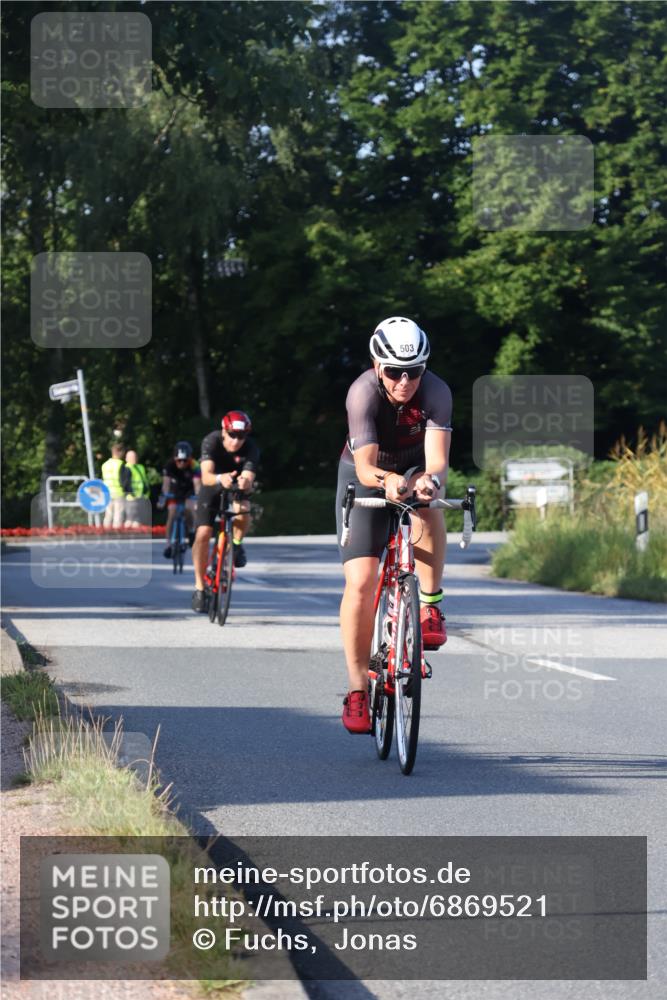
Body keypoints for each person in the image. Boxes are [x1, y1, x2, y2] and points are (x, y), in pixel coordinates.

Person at [336, 316, 452, 734]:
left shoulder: (437, 392)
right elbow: (366, 466)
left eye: (414, 372)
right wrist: (389, 481)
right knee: (362, 582)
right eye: (394, 372)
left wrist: (429, 480)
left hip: (414, 467)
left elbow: (437, 460)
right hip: (366, 475)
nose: (405, 381)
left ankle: (430, 605)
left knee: (430, 502)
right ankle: (355, 690)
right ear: (376, 365)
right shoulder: (362, 393)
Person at [191, 411, 259, 612]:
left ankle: (236, 545)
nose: (236, 441)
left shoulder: (251, 448)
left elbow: (248, 477)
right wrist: (221, 478)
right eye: (232, 435)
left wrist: (244, 482)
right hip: (213, 484)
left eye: (241, 436)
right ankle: (200, 588)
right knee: (203, 533)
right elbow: (206, 476)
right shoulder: (211, 441)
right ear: (223, 431)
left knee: (244, 508)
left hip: (235, 486)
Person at [160, 442, 201, 557]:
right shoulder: (169, 465)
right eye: (179, 460)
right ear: (175, 458)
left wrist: (198, 498)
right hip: (174, 490)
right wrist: (164, 496)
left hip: (189, 491)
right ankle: (168, 544)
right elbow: (166, 484)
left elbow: (197, 484)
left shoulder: (194, 465)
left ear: (189, 459)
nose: (182, 463)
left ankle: (191, 530)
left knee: (189, 509)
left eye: (185, 460)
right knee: (172, 513)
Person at [101, 443, 130, 529]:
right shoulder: (120, 464)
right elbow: (123, 480)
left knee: (108, 515)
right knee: (118, 515)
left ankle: (105, 532)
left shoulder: (105, 465)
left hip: (107, 493)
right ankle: (116, 534)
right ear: (119, 452)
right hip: (118, 493)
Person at [124, 450, 151, 527]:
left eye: (135, 457)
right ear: (127, 459)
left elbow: (144, 481)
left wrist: (146, 492)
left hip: (141, 496)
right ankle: (126, 534)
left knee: (138, 518)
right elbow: (126, 483)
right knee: (130, 518)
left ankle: (135, 535)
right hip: (131, 497)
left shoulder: (140, 467)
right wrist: (131, 493)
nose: (134, 459)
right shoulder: (126, 468)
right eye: (132, 457)